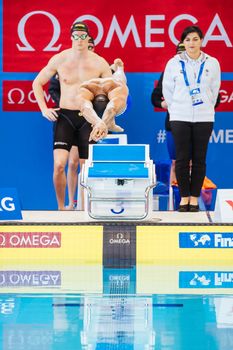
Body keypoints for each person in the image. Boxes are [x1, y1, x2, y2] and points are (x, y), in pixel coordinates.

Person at [32, 21, 112, 210]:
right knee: (60, 165)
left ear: (88, 38)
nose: (79, 39)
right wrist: (44, 108)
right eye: (75, 35)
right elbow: (37, 83)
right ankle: (61, 208)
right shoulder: (60, 59)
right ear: (70, 37)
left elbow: (114, 93)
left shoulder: (99, 62)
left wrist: (105, 121)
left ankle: (85, 209)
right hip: (65, 117)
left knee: (85, 168)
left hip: (88, 118)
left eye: (83, 36)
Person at [162, 25, 221, 212]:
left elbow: (214, 89)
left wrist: (205, 106)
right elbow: (167, 91)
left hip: (204, 116)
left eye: (195, 39)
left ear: (201, 41)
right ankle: (184, 198)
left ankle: (194, 199)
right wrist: (177, 107)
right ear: (182, 42)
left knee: (199, 159)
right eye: (187, 40)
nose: (191, 43)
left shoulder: (212, 63)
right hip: (179, 116)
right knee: (181, 159)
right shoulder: (173, 63)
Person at [151, 42, 186, 185]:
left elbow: (214, 97)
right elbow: (154, 97)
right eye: (180, 54)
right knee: (175, 162)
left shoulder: (199, 74)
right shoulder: (169, 72)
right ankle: (176, 201)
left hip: (194, 123)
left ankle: (192, 199)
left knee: (191, 163)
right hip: (173, 124)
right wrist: (164, 103)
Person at [76, 58, 128, 141]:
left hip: (92, 83)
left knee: (120, 82)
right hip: (111, 83)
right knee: (120, 81)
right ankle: (119, 68)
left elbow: (85, 108)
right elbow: (111, 109)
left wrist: (98, 123)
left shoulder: (85, 87)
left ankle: (119, 68)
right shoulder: (117, 86)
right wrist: (100, 124)